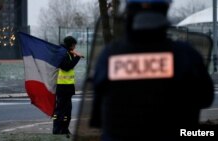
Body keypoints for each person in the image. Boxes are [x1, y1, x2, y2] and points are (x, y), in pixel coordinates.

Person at [90, 0, 214, 140]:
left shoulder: (109, 56)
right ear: (164, 11)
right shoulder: (186, 55)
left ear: (129, 13)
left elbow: (98, 114)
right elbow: (205, 98)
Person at [53, 36, 84, 136]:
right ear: (70, 45)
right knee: (59, 111)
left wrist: (74, 56)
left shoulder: (68, 53)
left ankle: (64, 129)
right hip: (62, 87)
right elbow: (66, 67)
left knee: (67, 111)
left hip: (68, 87)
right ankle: (57, 130)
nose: (75, 47)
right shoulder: (62, 53)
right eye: (74, 45)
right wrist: (77, 57)